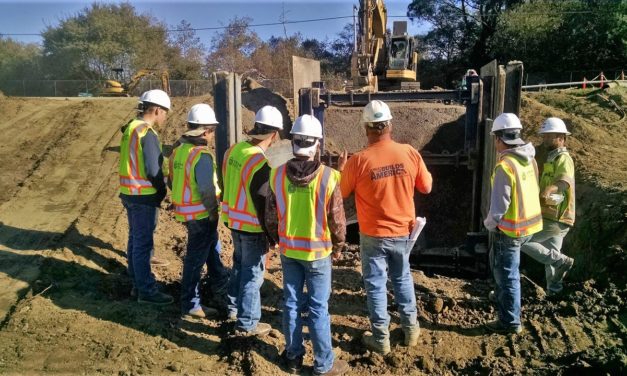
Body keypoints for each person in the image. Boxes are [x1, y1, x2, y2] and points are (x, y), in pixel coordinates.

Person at [338, 100, 432, 355]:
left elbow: (342, 192)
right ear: (389, 125)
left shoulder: (358, 162)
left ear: (366, 128)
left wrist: (341, 170)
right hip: (403, 232)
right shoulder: (410, 153)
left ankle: (381, 338)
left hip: (372, 235)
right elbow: (427, 187)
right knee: (402, 279)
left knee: (376, 285)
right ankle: (411, 329)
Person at [266, 115, 349, 376]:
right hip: (318, 254)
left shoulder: (276, 175)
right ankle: (324, 364)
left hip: (289, 251)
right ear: (317, 144)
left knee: (291, 303)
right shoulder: (329, 177)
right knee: (318, 308)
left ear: (294, 143)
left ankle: (293, 357)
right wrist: (339, 246)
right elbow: (337, 221)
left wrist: (277, 239)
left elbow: (270, 217)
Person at [222, 105, 283, 336]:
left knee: (238, 267)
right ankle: (247, 323)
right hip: (252, 226)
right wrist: (271, 233)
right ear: (275, 134)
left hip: (234, 220)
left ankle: (233, 308)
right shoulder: (260, 161)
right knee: (253, 274)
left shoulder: (235, 150)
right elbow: (262, 200)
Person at [484, 113, 543, 334]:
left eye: (495, 139)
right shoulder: (529, 159)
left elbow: (500, 204)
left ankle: (510, 322)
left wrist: (489, 224)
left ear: (499, 139)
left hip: (511, 230)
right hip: (530, 225)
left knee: (508, 274)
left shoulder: (505, 166)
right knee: (499, 264)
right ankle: (503, 295)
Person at [119, 89, 173, 305]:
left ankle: (136, 282)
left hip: (129, 193)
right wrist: (162, 191)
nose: (165, 117)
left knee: (135, 241)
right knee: (142, 244)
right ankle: (146, 291)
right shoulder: (147, 134)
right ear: (157, 110)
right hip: (143, 196)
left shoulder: (131, 128)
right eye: (164, 113)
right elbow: (153, 170)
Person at [169, 103, 223, 318]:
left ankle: (218, 281)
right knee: (195, 260)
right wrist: (213, 212)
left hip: (188, 212)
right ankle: (190, 303)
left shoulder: (179, 151)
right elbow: (206, 190)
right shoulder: (201, 156)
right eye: (212, 131)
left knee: (211, 248)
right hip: (201, 214)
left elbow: (172, 180)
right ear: (206, 130)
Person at [521, 117, 575, 295]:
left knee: (523, 241)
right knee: (551, 253)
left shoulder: (563, 158)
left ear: (561, 137)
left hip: (557, 215)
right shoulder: (551, 158)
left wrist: (548, 191)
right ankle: (554, 292)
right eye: (544, 136)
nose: (544, 139)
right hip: (552, 213)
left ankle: (562, 261)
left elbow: (564, 181)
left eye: (548, 136)